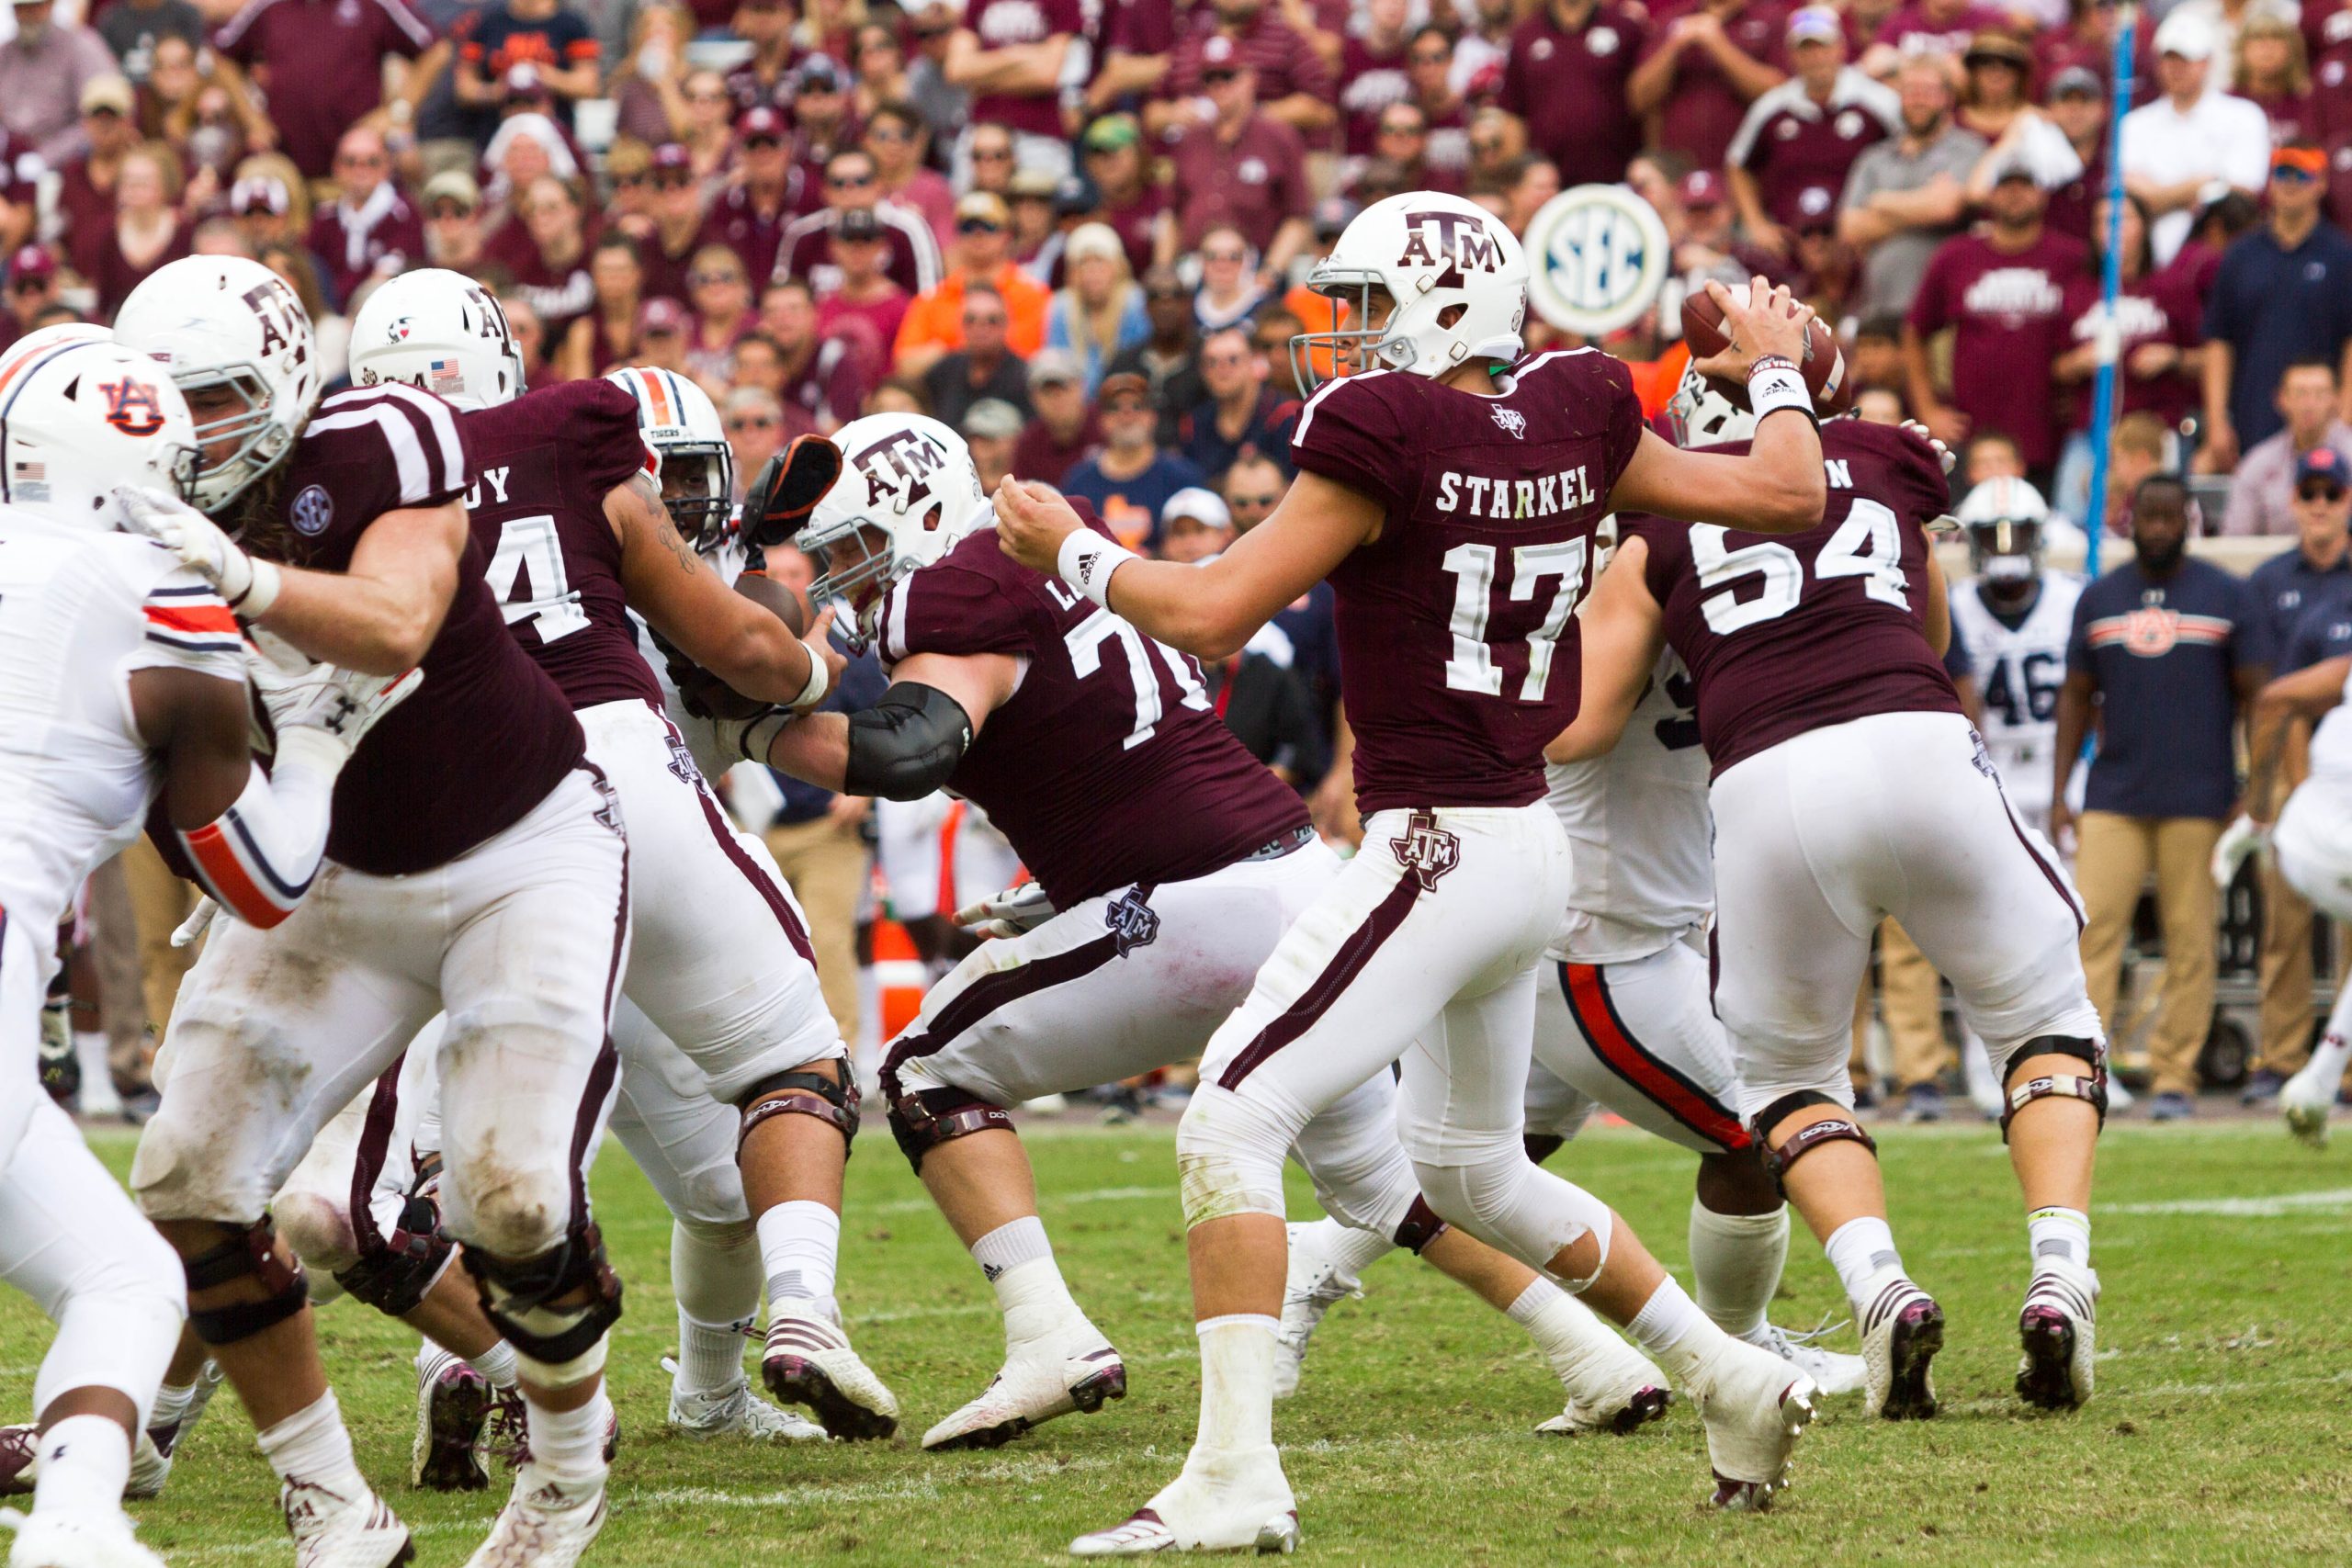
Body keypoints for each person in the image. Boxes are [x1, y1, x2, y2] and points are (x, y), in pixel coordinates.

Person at [993, 194, 1840, 1551]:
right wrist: (1783, 367)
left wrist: (1073, 551)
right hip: (1525, 845)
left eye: (1367, 305)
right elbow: (1789, 489)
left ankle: (1234, 1473)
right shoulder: (1577, 412)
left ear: (1446, 304)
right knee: (1474, 1168)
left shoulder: (1387, 434)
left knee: (1229, 1120)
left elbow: (1212, 610)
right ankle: (1734, 1372)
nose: (1342, 339)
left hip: (1439, 841)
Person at [721, 412, 1688, 1467]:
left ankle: (1048, 1336)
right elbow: (1104, 744)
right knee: (1379, 1180)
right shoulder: (1047, 551)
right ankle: (1600, 1357)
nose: (841, 581)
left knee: (921, 1069)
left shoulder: (957, 591)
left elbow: (910, 751)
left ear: (914, 515)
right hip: (1285, 877)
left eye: (854, 549)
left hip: (1190, 906)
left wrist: (754, 729)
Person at [111, 251, 626, 1564]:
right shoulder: (122, 514)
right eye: (170, 411)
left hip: (521, 847)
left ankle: (567, 1470)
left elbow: (398, 621)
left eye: (219, 400)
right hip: (333, 871)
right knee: (189, 1178)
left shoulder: (383, 434)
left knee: (510, 1199)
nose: (198, 436)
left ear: (284, 377)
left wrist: (241, 581)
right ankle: (332, 1503)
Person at [1555, 371, 2109, 1426]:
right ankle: (2058, 1272)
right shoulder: (1880, 455)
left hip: (1767, 787)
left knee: (1790, 1078)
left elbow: (1580, 723)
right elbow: (1933, 638)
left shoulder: (1657, 528)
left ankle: (1877, 1288)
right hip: (1917, 741)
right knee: (2043, 1021)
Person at [0, 332, 414, 1568]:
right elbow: (262, 878)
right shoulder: (159, 587)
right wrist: (326, 736)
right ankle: (73, 1523)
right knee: (128, 1276)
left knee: (128, 1271)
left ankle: (77, 1517)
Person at [2053, 475, 2269, 1122]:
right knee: (2093, 935)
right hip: (2113, 793)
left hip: (2199, 797)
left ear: (2190, 519)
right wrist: (2066, 786)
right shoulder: (2099, 597)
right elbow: (2074, 695)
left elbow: (2259, 695)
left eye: (2169, 515)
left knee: (2191, 941)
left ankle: (2176, 1075)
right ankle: (2087, 1067)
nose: (2157, 526)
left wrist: (2254, 787)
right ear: (2129, 519)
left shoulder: (2227, 593)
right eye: (2146, 515)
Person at [2238, 447, 2352, 1106]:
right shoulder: (2266, 579)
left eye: (2330, 493)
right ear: (2293, 501)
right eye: (2308, 492)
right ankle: (2280, 1055)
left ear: (2346, 501)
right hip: (2286, 758)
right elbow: (2267, 691)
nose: (2318, 504)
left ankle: (2337, 1068)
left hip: (2341, 762)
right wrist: (2278, 783)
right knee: (2283, 921)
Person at [2236, 628, 2352, 1146]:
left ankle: (2319, 1077)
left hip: (2301, 839)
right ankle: (2320, 1074)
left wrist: (2260, 814)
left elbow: (2276, 699)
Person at [1903, 161, 2089, 479]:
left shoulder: (2073, 258)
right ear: (1990, 195)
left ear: (2043, 195)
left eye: (2025, 186)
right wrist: (1928, 410)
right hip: (1972, 437)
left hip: (2049, 435)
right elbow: (1914, 331)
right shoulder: (1956, 256)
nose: (2015, 195)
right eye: (2005, 187)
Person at [2199, 145, 2352, 472]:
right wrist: (2216, 421)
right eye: (2282, 173)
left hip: (2322, 416)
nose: (2291, 182)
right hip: (2252, 411)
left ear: (2322, 183)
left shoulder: (2341, 255)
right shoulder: (2240, 255)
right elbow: (2218, 341)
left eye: (2303, 174)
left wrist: (2345, 414)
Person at [1725, 7, 1899, 259]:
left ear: (1842, 47)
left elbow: (1912, 151)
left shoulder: (1878, 101)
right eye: (1806, 49)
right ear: (1791, 55)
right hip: (1788, 247)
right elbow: (1737, 163)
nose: (1815, 57)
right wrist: (1756, 224)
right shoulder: (1772, 107)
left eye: (1823, 47)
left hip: (1859, 247)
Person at [1838, 55, 1988, 321]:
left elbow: (1946, 208)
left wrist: (1880, 203)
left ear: (1948, 98)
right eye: (1910, 91)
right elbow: (1850, 229)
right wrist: (1921, 206)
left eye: (1928, 92)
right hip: (1879, 312)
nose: (1918, 100)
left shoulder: (1969, 148)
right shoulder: (1875, 158)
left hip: (1943, 314)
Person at [214, 0, 437, 180]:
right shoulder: (267, 6)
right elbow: (221, 54)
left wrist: (397, 111)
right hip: (289, 170)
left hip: (356, 170)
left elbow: (436, 50)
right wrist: (252, 118)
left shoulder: (375, 5)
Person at [2120, 10, 2272, 268]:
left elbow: (2241, 194)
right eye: (2169, 59)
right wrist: (2203, 184)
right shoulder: (2134, 124)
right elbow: (2131, 197)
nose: (2176, 69)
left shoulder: (2243, 115)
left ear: (2207, 62)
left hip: (2218, 262)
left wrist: (2160, 197)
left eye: (2186, 60)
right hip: (2149, 262)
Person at [892, 192, 1050, 379]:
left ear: (1007, 234)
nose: (978, 234)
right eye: (968, 227)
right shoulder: (933, 297)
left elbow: (1026, 359)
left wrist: (943, 348)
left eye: (989, 226)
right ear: (957, 235)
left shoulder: (1032, 295)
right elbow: (906, 365)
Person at [1629, 0, 1791, 177]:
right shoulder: (1672, 19)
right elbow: (1639, 99)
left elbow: (1781, 95)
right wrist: (1673, 47)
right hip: (1677, 172)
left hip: (1746, 170)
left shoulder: (1770, 17)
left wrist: (1718, 44)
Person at [1498, 0, 1649, 187]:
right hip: (1548, 187)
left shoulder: (1626, 29)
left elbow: (1648, 104)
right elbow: (1513, 115)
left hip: (1619, 178)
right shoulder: (1525, 36)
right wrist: (1520, 177)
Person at [1061, 370, 1208, 550]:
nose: (1127, 414)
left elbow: (1204, 546)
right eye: (1115, 407)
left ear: (1152, 416)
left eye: (1137, 406)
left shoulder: (1183, 478)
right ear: (1101, 420)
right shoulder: (1079, 483)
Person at [774, 144, 942, 299]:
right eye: (839, 183)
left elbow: (927, 298)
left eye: (861, 181)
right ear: (825, 191)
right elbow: (782, 299)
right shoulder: (802, 234)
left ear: (879, 184)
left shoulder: (907, 229)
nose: (850, 190)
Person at [944, 0, 1083, 178]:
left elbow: (1047, 75)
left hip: (1039, 137)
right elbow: (956, 70)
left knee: (1038, 202)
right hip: (982, 134)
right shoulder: (978, 2)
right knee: (973, 205)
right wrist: (1018, 55)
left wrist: (981, 78)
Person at [2219, 359, 2352, 534]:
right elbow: (2234, 541)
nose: (2309, 404)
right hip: (2276, 559)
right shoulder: (2258, 462)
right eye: (2300, 393)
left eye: (2320, 394)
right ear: (2281, 399)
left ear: (2337, 398)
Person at [308, 125, 424, 307]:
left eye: (372, 162)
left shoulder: (403, 215)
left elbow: (394, 275)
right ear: (336, 168)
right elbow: (311, 273)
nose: (360, 170)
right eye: (350, 162)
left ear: (386, 166)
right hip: (331, 314)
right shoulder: (325, 218)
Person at [0, 0, 124, 165]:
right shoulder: (6, 53)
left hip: (68, 163)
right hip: (9, 161)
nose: (27, 15)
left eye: (35, 7)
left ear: (50, 5)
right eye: (20, 8)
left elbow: (104, 116)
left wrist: (48, 156)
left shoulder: (81, 47)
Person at [1181, 324, 1293, 482]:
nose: (1222, 369)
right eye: (1211, 362)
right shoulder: (1194, 423)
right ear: (1202, 370)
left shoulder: (1285, 417)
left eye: (1233, 360)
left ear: (1255, 363)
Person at [921, 284, 1032, 431]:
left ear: (1006, 325)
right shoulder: (944, 372)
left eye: (992, 320)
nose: (980, 328)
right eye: (971, 320)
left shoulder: (1025, 378)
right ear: (961, 325)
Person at [1010, 348, 1097, 483]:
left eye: (1064, 388)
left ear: (1081, 388)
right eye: (1047, 391)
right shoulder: (1029, 444)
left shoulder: (1106, 426)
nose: (1057, 398)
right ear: (1033, 397)